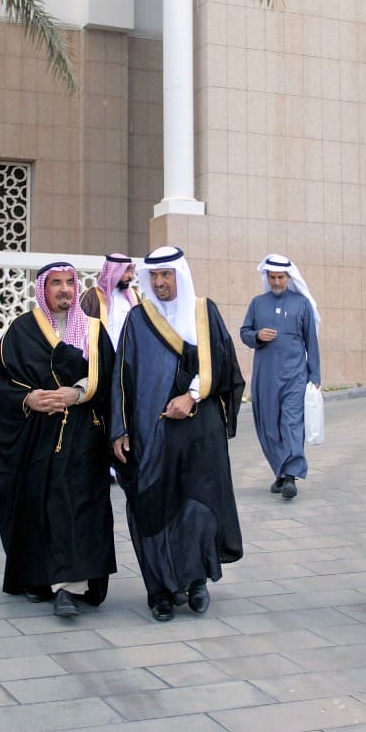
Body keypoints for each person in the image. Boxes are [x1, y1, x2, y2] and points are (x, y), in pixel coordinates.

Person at [111, 246, 245, 621]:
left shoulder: (204, 312)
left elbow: (223, 363)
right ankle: (159, 591)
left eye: (166, 275)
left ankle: (196, 581)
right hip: (151, 431)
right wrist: (120, 429)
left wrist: (191, 395)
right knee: (152, 504)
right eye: (154, 276)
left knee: (197, 505)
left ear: (179, 276)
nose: (160, 282)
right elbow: (122, 375)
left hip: (200, 429)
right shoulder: (139, 319)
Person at [0, 262, 117, 618]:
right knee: (37, 504)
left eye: (70, 283)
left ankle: (70, 587)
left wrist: (77, 393)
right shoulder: (22, 330)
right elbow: (1, 382)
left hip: (83, 435)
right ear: (42, 289)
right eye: (56, 283)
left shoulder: (93, 330)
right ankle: (39, 578)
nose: (64, 289)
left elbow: (109, 378)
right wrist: (28, 399)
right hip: (37, 436)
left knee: (77, 504)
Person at [239, 254, 320, 499]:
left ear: (289, 277)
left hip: (295, 374)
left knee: (291, 422)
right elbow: (244, 332)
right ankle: (281, 471)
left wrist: (315, 375)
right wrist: (257, 336)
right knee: (268, 424)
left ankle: (291, 475)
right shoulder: (257, 303)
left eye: (280, 277)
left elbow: (312, 341)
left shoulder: (301, 304)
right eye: (272, 277)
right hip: (265, 375)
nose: (276, 282)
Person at [80, 253, 139, 349]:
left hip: (125, 353)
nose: (130, 276)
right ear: (114, 272)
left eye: (131, 270)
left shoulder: (134, 297)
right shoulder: (92, 296)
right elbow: (79, 326)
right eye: (126, 271)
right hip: (100, 353)